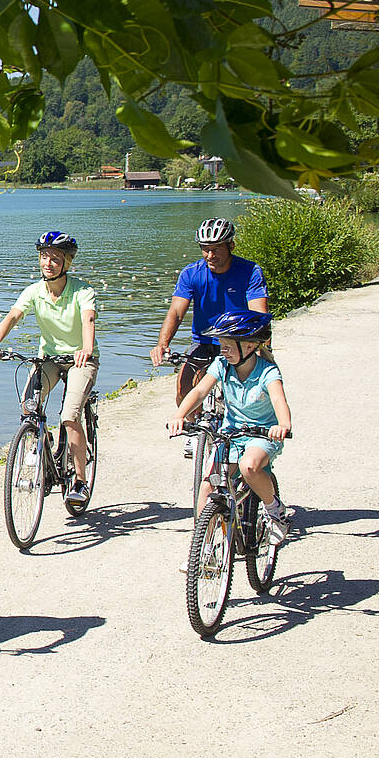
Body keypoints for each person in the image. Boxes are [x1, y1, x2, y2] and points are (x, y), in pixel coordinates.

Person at [0, 231, 98, 504]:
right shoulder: (34, 291)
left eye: (56, 258)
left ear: (67, 263)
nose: (48, 263)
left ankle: (80, 482)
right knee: (29, 407)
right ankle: (44, 454)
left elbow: (88, 320)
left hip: (81, 359)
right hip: (49, 359)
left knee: (70, 416)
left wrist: (86, 348)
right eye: (44, 257)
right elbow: (13, 316)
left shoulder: (82, 290)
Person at [166, 309, 293, 540]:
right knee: (207, 485)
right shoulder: (222, 365)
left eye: (228, 345)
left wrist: (283, 424)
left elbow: (278, 399)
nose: (222, 350)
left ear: (249, 346)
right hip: (231, 433)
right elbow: (201, 390)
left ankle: (275, 510)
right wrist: (180, 414)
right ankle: (202, 546)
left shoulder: (267, 371)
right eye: (221, 344)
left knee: (249, 466)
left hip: (262, 434)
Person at [151, 217, 270, 451]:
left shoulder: (250, 271)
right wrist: (162, 344)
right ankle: (194, 429)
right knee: (185, 385)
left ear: (231, 246)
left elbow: (259, 314)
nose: (209, 255)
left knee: (251, 394)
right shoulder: (191, 273)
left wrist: (260, 347)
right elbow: (176, 312)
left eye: (216, 249)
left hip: (240, 341)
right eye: (205, 250)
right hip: (204, 341)